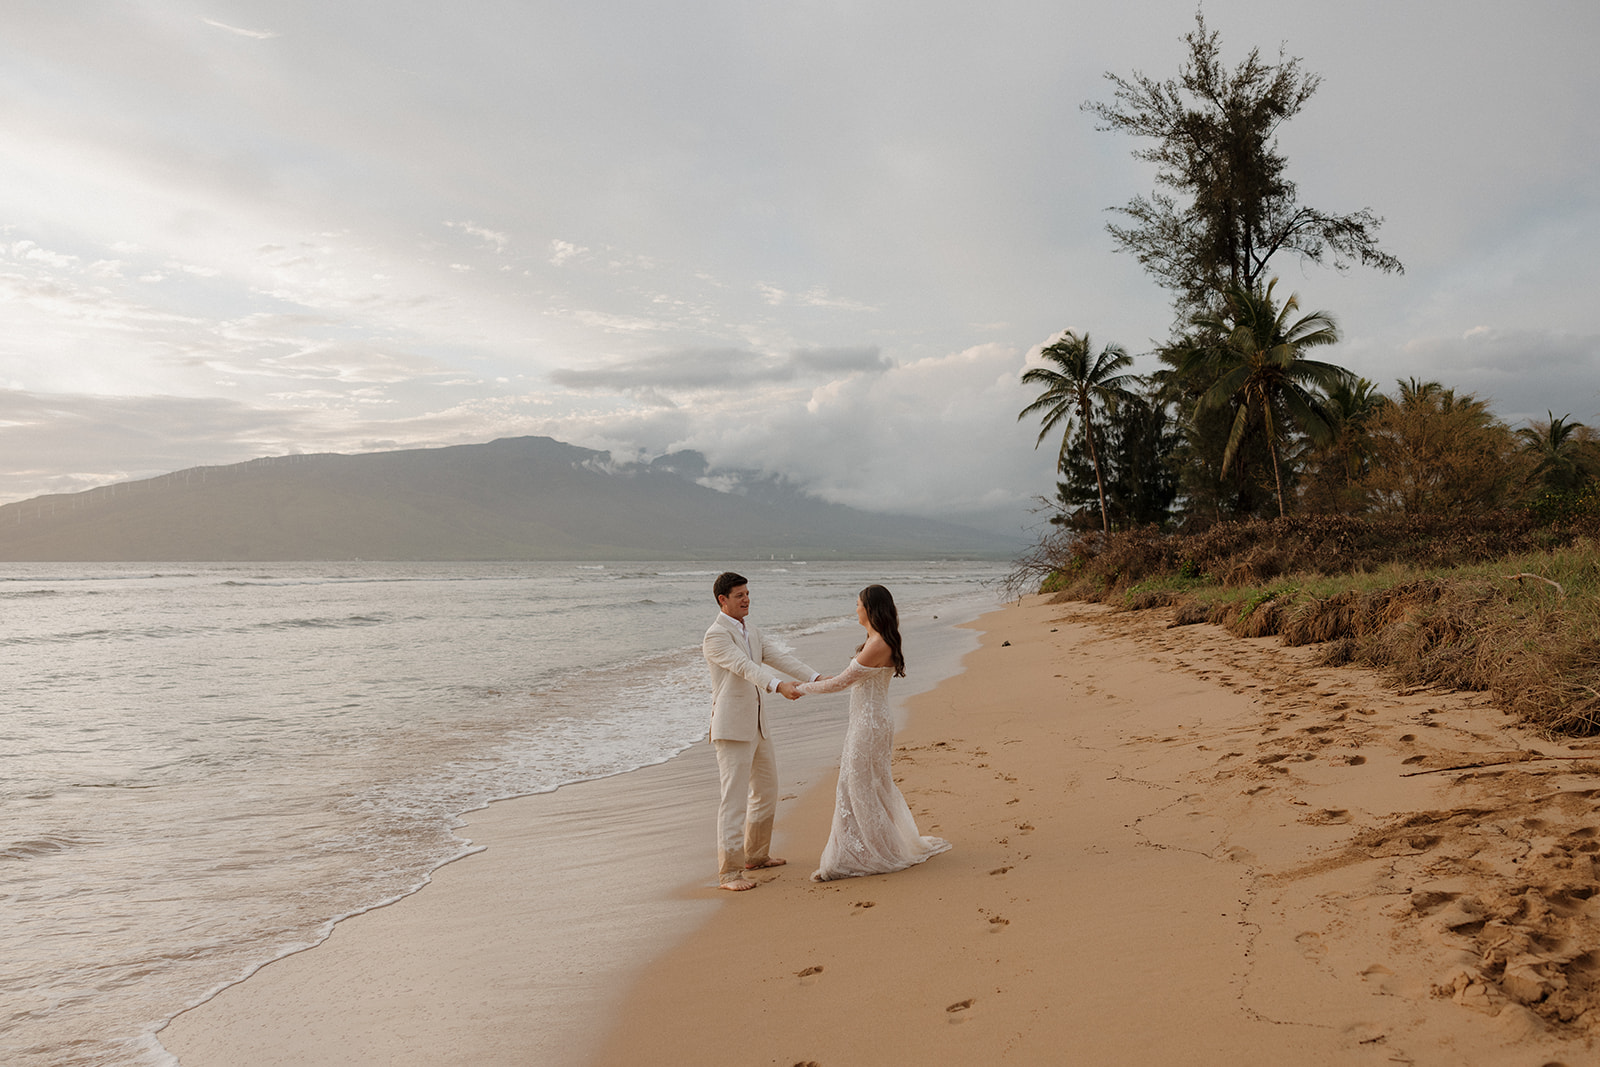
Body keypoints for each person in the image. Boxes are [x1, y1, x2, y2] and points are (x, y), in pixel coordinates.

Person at [796, 584, 951, 881]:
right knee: (866, 786)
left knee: (858, 787)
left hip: (869, 725)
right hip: (870, 721)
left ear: (870, 609)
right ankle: (871, 848)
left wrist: (798, 688)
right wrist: (825, 679)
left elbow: (839, 684)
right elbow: (848, 678)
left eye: (858, 604)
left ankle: (862, 855)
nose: (855, 609)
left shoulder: (878, 643)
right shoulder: (875, 641)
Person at [703, 571, 820, 891]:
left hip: (757, 726)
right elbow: (745, 667)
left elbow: (779, 657)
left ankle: (756, 855)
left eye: (748, 593)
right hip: (731, 728)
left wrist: (817, 678)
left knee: (767, 792)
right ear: (722, 600)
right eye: (739, 595)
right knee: (734, 800)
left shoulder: (751, 630)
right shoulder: (715, 636)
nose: (747, 599)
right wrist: (778, 686)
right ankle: (729, 872)